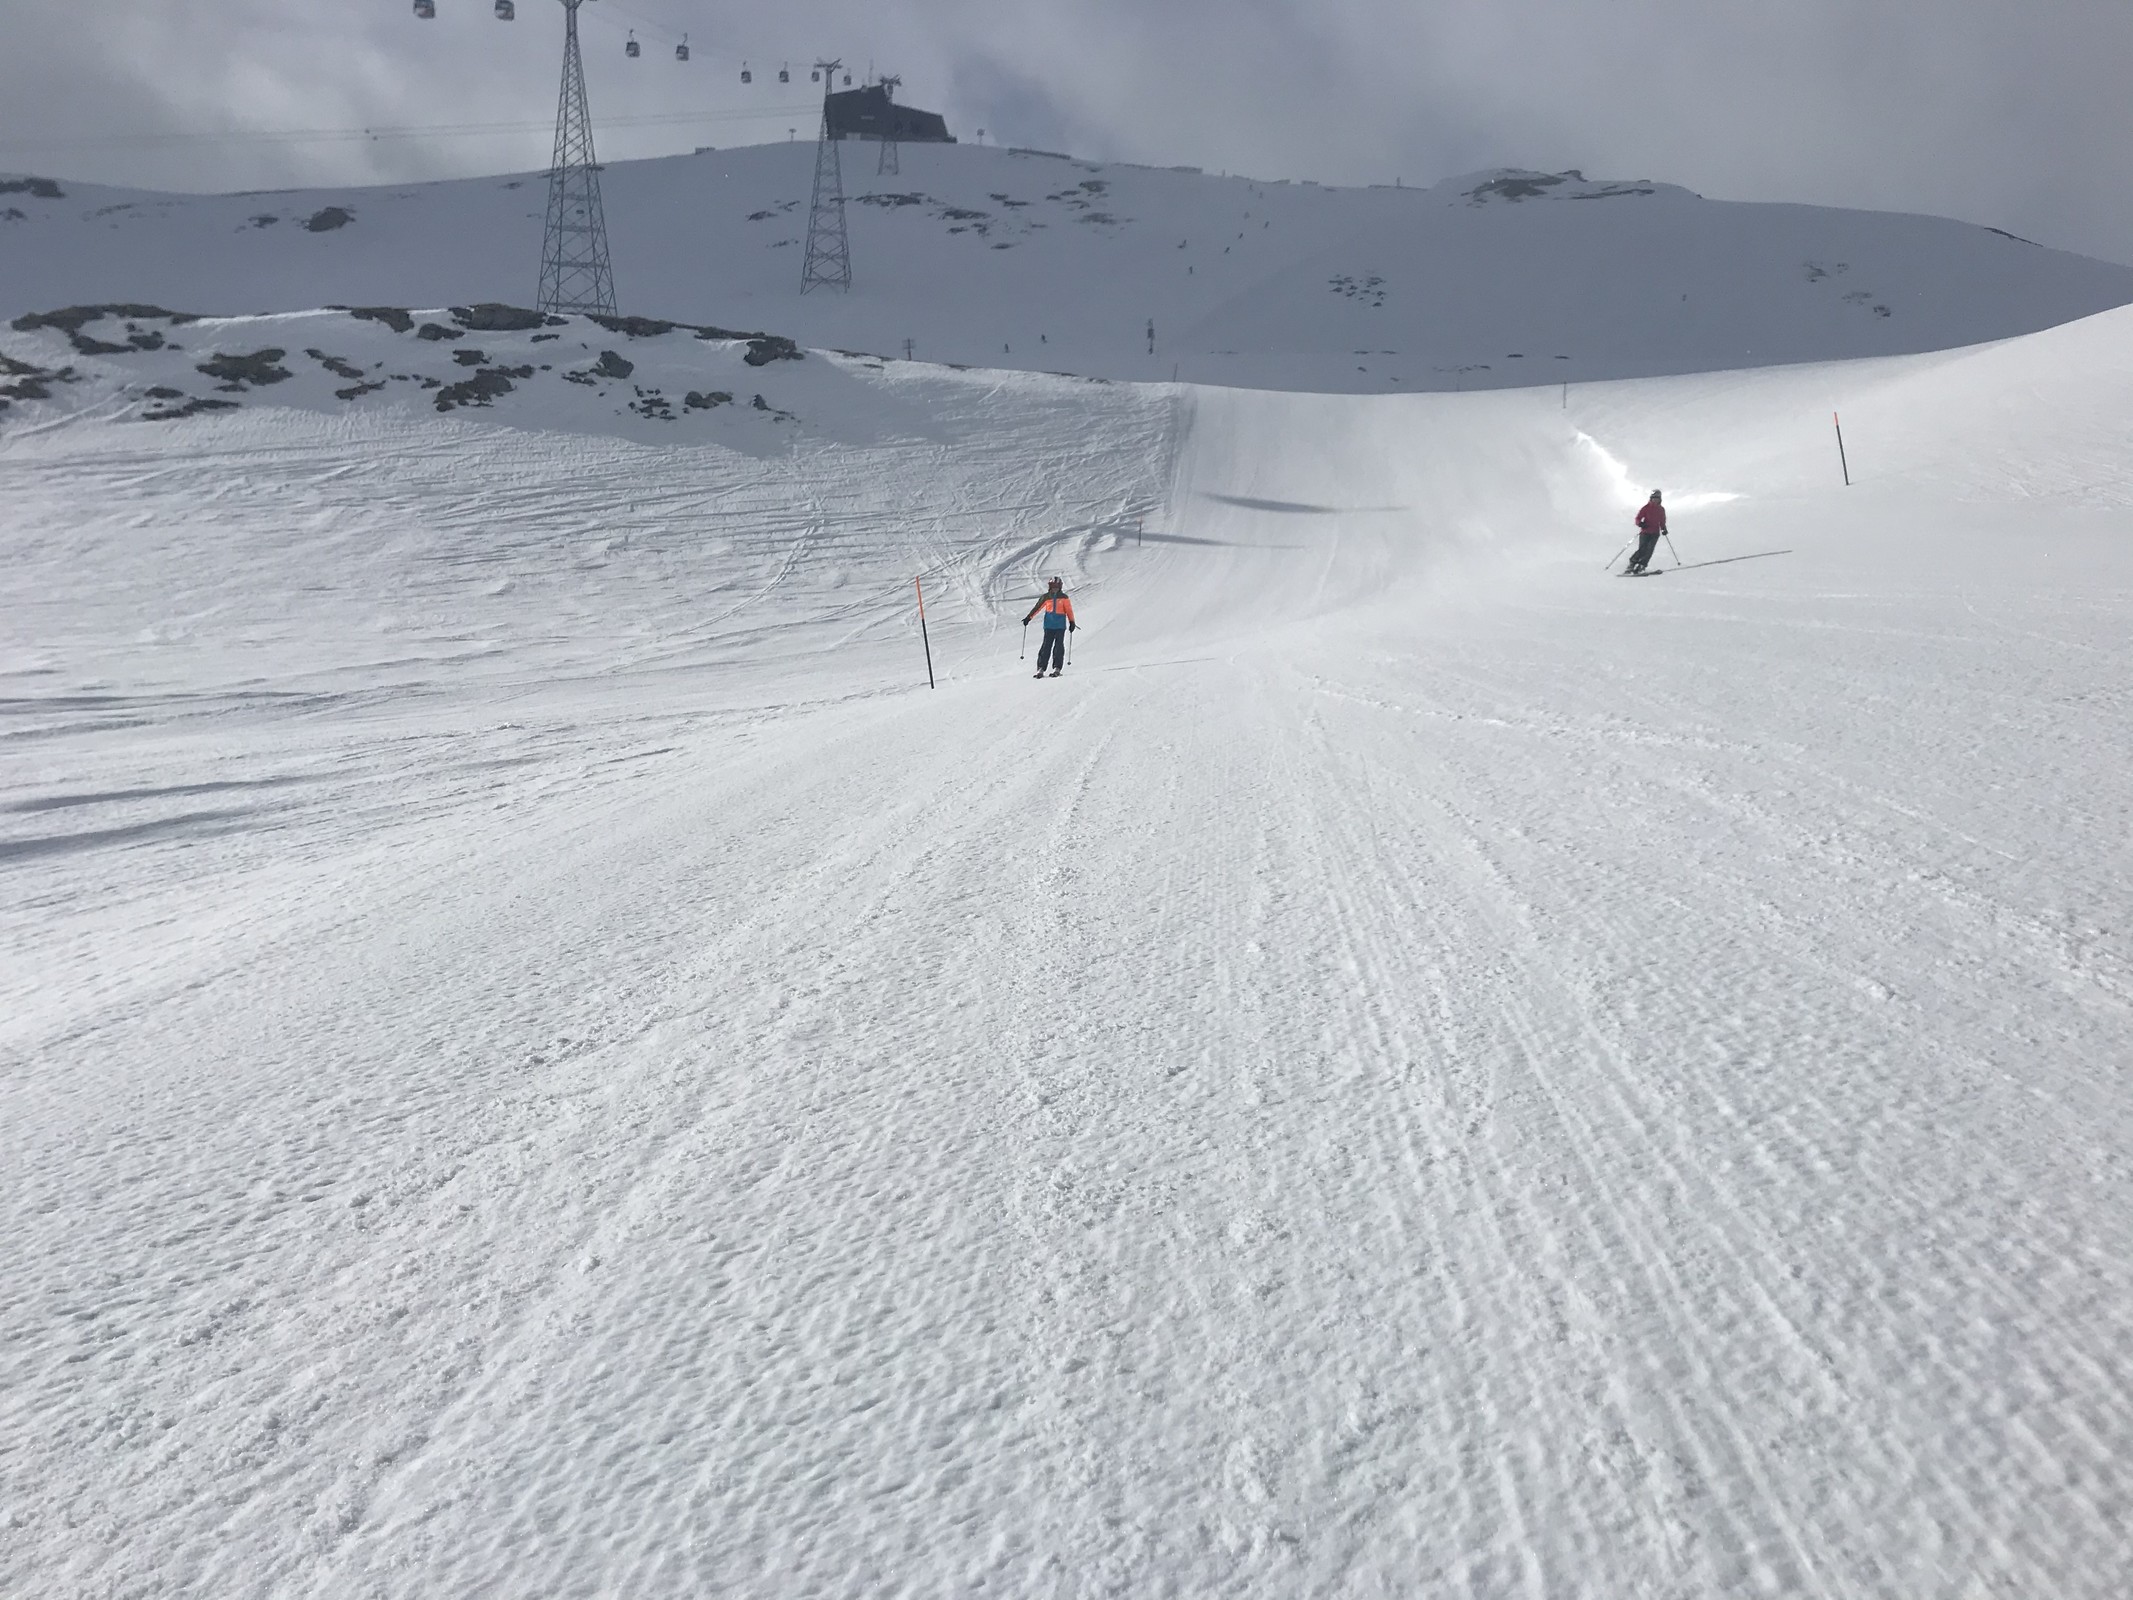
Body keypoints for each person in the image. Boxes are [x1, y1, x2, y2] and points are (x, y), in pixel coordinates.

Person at [1023, 577, 1077, 677]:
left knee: (1058, 646)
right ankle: (1041, 668)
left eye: (1056, 587)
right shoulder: (1046, 597)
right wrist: (1028, 617)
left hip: (1060, 626)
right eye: (1053, 587)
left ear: (1060, 587)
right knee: (1046, 646)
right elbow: (1037, 608)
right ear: (1050, 587)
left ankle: (1057, 667)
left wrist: (1072, 622)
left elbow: (1069, 610)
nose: (1055, 589)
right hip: (1049, 625)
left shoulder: (1064, 597)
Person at [1628, 491, 1667, 574]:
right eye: (1654, 498)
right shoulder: (1646, 508)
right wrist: (1640, 524)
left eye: (1657, 499)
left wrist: (1664, 529)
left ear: (1660, 500)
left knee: (1650, 550)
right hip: (1645, 532)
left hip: (1655, 533)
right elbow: (1638, 518)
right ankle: (1632, 563)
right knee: (1642, 548)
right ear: (1651, 499)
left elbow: (1662, 521)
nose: (1655, 500)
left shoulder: (1661, 509)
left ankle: (1642, 565)